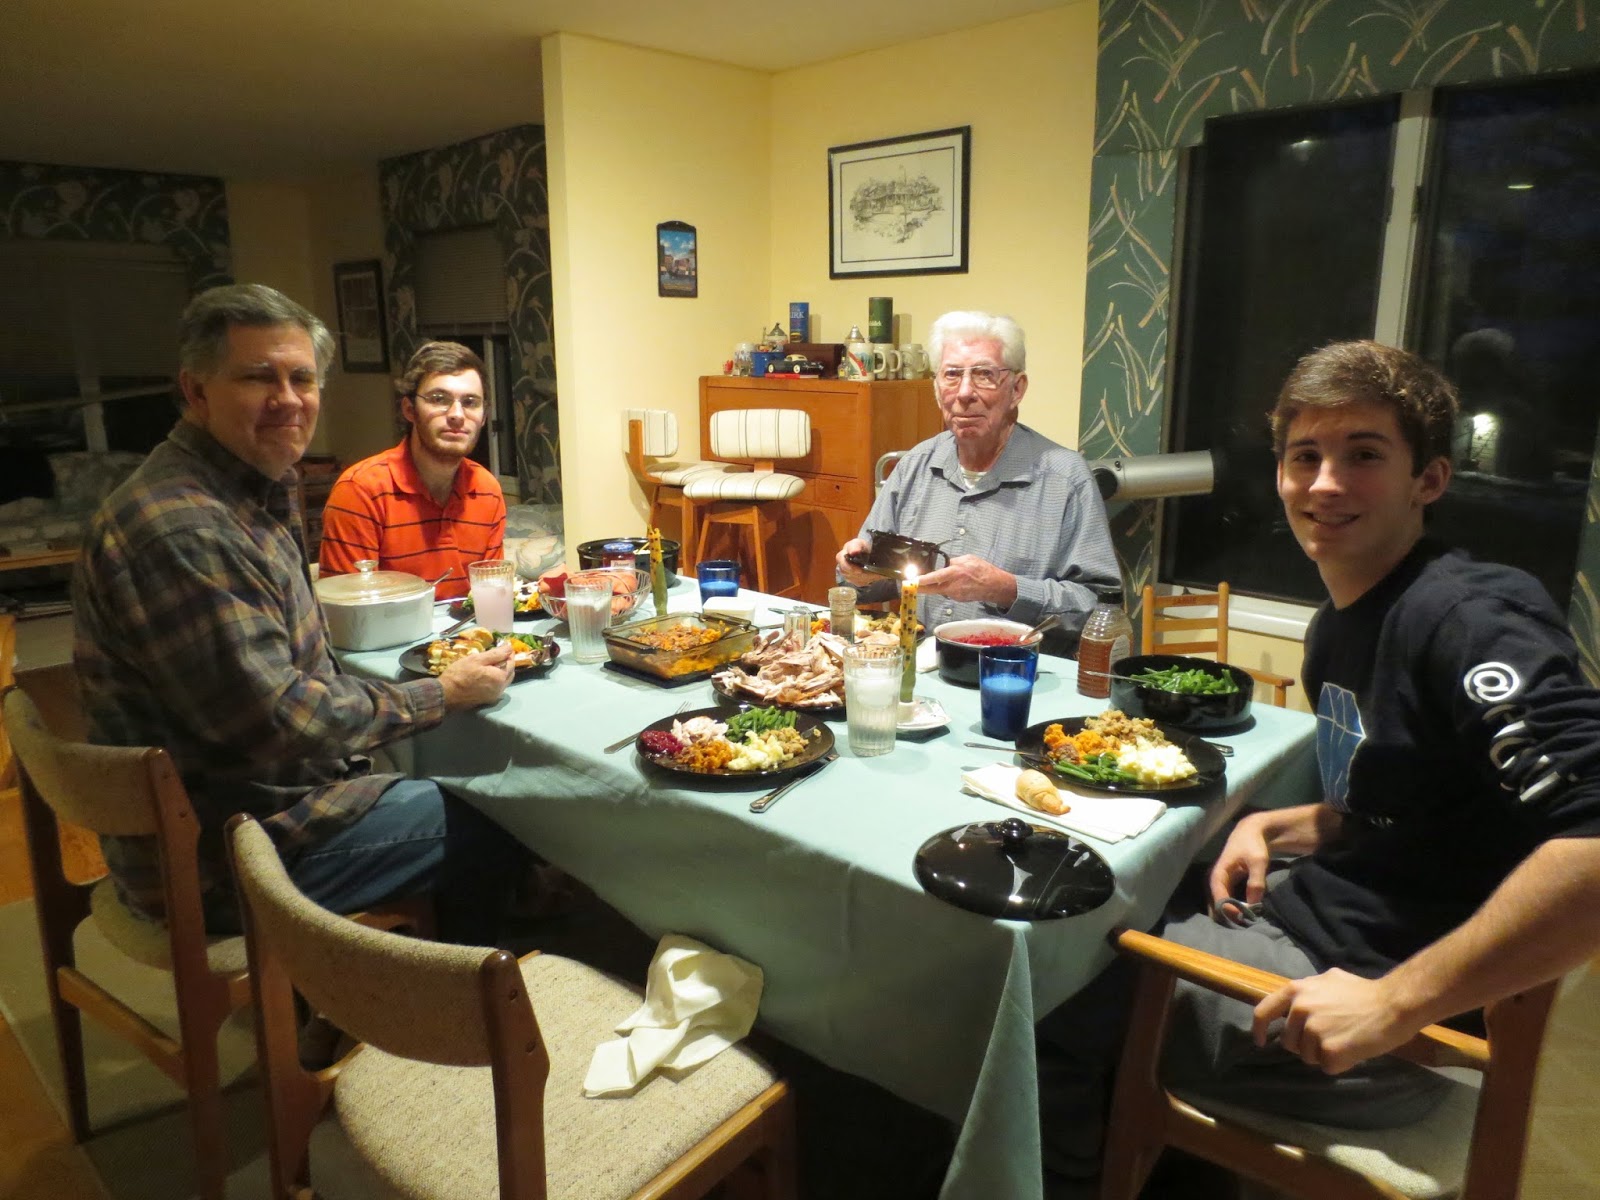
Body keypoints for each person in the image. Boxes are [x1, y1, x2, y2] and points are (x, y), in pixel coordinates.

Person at [1038, 340, 1600, 1190]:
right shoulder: (1342, 623)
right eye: (1306, 457)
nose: (1326, 484)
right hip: (1310, 926)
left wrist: (1395, 1004)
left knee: (1050, 985)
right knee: (1109, 891)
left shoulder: (1469, 618)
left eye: (1364, 455)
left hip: (1386, 1026)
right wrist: (1280, 823)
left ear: (1430, 480)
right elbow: (1413, 805)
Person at [73, 284, 527, 944]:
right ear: (196, 391)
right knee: (505, 813)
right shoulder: (186, 529)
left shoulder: (245, 491)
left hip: (268, 801)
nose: (288, 400)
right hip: (230, 853)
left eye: (302, 379)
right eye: (258, 377)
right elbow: (280, 720)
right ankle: (440, 990)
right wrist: (439, 694)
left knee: (456, 783)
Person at [834, 311, 1118, 645]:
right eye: (952, 375)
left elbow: (1102, 608)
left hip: (1020, 667)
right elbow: (860, 584)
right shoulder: (915, 466)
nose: (964, 392)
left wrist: (1006, 589)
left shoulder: (1065, 478)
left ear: (1017, 389)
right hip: (924, 661)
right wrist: (858, 571)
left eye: (984, 374)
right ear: (937, 389)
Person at [318, 340, 505, 601]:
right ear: (409, 410)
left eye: (470, 402)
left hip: (469, 628)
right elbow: (345, 611)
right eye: (439, 399)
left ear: (483, 417)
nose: (457, 414)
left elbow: (491, 599)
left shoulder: (487, 490)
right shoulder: (360, 491)